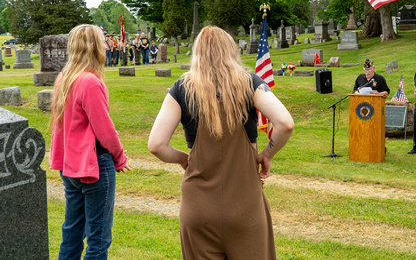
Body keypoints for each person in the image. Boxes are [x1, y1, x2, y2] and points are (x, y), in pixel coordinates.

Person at [148, 26, 294, 259]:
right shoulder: (250, 84)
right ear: (230, 51)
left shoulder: (181, 90)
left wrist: (184, 159)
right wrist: (267, 155)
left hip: (198, 210)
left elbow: (156, 144)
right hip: (245, 209)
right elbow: (285, 123)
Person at [49, 24, 130, 259]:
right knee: (98, 239)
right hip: (94, 167)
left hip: (70, 167)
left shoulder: (64, 78)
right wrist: (120, 156)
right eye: (102, 41)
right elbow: (105, 130)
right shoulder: (91, 82)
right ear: (93, 46)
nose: (106, 45)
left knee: (71, 234)